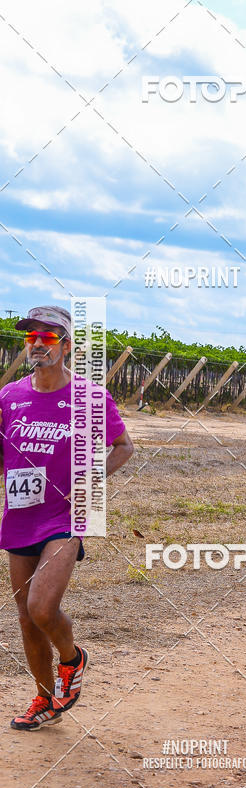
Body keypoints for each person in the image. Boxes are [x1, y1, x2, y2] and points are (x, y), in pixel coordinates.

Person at [0, 306, 133, 730]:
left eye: (48, 336)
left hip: (65, 517)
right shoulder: (9, 397)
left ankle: (72, 659)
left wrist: (91, 479)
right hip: (20, 516)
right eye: (31, 336)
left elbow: (124, 447)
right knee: (24, 615)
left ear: (67, 345)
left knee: (41, 607)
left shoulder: (91, 398)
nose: (38, 343)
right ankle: (44, 698)